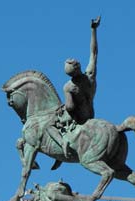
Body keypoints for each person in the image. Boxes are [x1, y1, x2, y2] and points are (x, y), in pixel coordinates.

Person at [47, 16, 101, 160]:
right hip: (91, 114)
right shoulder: (90, 76)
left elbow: (70, 108)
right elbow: (94, 53)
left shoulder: (69, 87)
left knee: (49, 125)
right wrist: (93, 30)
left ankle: (62, 146)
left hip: (80, 119)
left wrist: (62, 107)